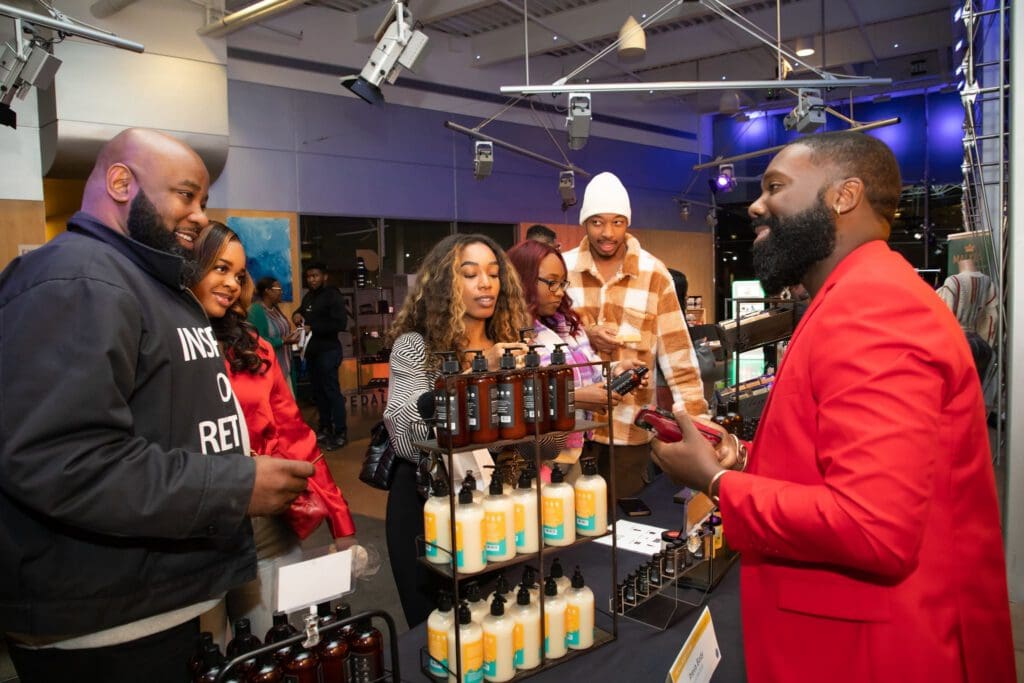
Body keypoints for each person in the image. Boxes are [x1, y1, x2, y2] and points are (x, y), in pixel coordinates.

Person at [650, 131, 1015, 682]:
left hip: (868, 653)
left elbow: (874, 527)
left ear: (844, 196)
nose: (755, 203)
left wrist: (717, 484)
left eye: (776, 186)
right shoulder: (854, 295)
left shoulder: (874, 307)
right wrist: (744, 459)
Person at [0, 128, 313, 682]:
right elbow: (60, 461)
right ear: (121, 183)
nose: (198, 214)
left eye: (204, 201)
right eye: (186, 195)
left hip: (168, 600)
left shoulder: (150, 285)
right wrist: (235, 487)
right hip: (108, 624)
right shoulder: (76, 280)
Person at [189, 223, 357, 639]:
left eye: (238, 275)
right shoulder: (161, 345)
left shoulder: (252, 347)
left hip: (264, 529)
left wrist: (341, 521)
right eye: (219, 268)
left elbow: (296, 436)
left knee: (276, 649)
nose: (230, 283)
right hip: (191, 537)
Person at [383, 233, 531, 627]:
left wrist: (555, 402)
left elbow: (543, 448)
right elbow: (405, 434)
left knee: (499, 625)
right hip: (426, 505)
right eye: (470, 274)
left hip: (495, 505)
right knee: (442, 631)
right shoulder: (416, 347)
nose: (486, 283)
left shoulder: (513, 348)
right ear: (445, 284)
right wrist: (476, 377)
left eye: (494, 273)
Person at [563, 171, 708, 497]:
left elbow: (679, 356)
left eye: (617, 222)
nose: (607, 233)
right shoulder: (562, 268)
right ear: (585, 222)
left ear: (627, 222)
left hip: (629, 430)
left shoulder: (654, 273)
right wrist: (588, 335)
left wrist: (699, 425)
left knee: (623, 527)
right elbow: (540, 338)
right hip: (571, 430)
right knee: (569, 530)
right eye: (597, 222)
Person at [506, 238, 647, 479]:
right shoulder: (509, 334)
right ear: (522, 279)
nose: (560, 292)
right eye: (551, 283)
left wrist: (616, 371)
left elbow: (587, 372)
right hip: (531, 457)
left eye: (562, 283)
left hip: (573, 450)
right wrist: (574, 399)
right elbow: (512, 401)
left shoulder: (567, 326)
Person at [299, 262, 349, 449]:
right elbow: (302, 311)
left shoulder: (333, 295)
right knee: (318, 393)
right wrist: (297, 314)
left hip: (329, 351)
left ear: (324, 276)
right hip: (313, 352)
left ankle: (340, 432)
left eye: (315, 276)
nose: (312, 279)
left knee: (331, 392)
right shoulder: (309, 297)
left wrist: (314, 327)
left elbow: (340, 323)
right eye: (309, 276)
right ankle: (325, 427)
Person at [249, 275, 301, 393]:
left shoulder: (275, 309)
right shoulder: (256, 311)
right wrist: (282, 341)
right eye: (278, 290)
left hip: (284, 364)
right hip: (270, 369)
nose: (281, 292)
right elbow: (257, 341)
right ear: (267, 291)